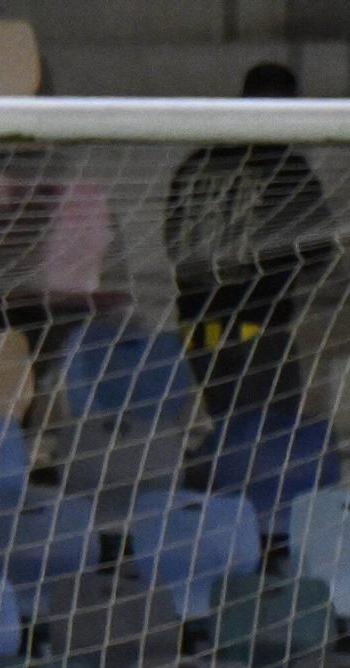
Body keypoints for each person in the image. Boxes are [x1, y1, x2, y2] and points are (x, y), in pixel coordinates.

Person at [164, 61, 334, 418]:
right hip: (257, 325)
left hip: (197, 324)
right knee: (269, 431)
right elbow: (319, 253)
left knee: (227, 425)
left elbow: (173, 239)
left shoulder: (196, 163)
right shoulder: (289, 170)